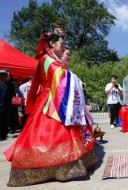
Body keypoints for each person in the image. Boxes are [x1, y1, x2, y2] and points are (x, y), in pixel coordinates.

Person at [4, 26, 98, 186]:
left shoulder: (53, 59)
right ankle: (54, 167)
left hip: (57, 97)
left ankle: (68, 166)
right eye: (61, 43)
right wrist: (73, 77)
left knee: (65, 130)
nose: (63, 46)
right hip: (50, 100)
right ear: (52, 44)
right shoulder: (46, 59)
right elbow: (58, 74)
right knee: (47, 132)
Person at [0, 70, 10, 140]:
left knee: (5, 121)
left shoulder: (5, 85)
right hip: (1, 106)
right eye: (5, 75)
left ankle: (4, 135)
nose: (7, 77)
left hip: (5, 106)